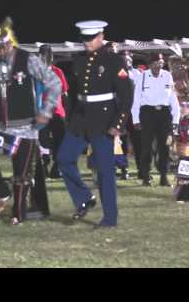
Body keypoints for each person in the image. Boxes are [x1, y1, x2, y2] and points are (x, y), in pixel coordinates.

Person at [0, 17, 61, 225]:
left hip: (26, 126)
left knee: (22, 174)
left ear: (9, 42)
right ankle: (2, 192)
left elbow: (53, 82)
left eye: (0, 46)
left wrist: (46, 111)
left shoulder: (27, 60)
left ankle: (17, 214)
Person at [57, 20, 133, 229]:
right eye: (84, 39)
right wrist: (70, 118)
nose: (87, 43)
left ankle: (110, 219)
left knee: (105, 171)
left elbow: (126, 95)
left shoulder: (114, 61)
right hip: (80, 120)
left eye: (90, 39)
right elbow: (73, 93)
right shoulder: (78, 60)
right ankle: (84, 198)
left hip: (104, 120)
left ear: (101, 37)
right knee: (64, 159)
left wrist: (118, 123)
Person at [131, 52, 180, 187]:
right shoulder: (142, 77)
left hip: (164, 114)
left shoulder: (167, 76)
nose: (158, 65)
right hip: (147, 114)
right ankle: (146, 176)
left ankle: (163, 176)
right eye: (155, 63)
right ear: (150, 65)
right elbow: (136, 99)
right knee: (146, 147)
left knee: (164, 146)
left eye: (160, 63)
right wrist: (135, 119)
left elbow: (173, 99)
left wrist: (175, 121)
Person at [37, 44, 69, 179]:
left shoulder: (58, 71)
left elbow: (64, 93)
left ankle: (57, 168)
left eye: (48, 54)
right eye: (43, 54)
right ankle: (43, 165)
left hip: (57, 112)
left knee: (61, 140)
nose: (45, 57)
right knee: (42, 140)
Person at [121, 50, 143, 178]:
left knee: (138, 142)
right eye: (124, 59)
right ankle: (124, 170)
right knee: (122, 142)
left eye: (128, 59)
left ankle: (142, 169)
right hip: (122, 112)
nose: (126, 61)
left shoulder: (138, 73)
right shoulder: (115, 73)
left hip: (135, 112)